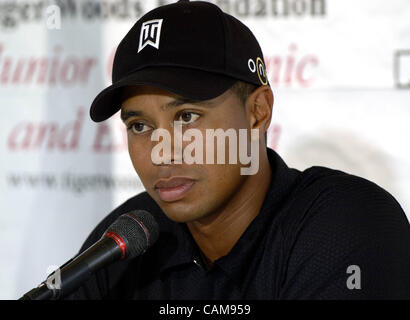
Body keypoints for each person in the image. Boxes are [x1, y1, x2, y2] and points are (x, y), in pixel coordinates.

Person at [68, 0, 410, 299]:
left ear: (257, 112)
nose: (162, 152)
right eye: (139, 126)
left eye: (186, 117)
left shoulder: (345, 222)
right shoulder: (128, 239)